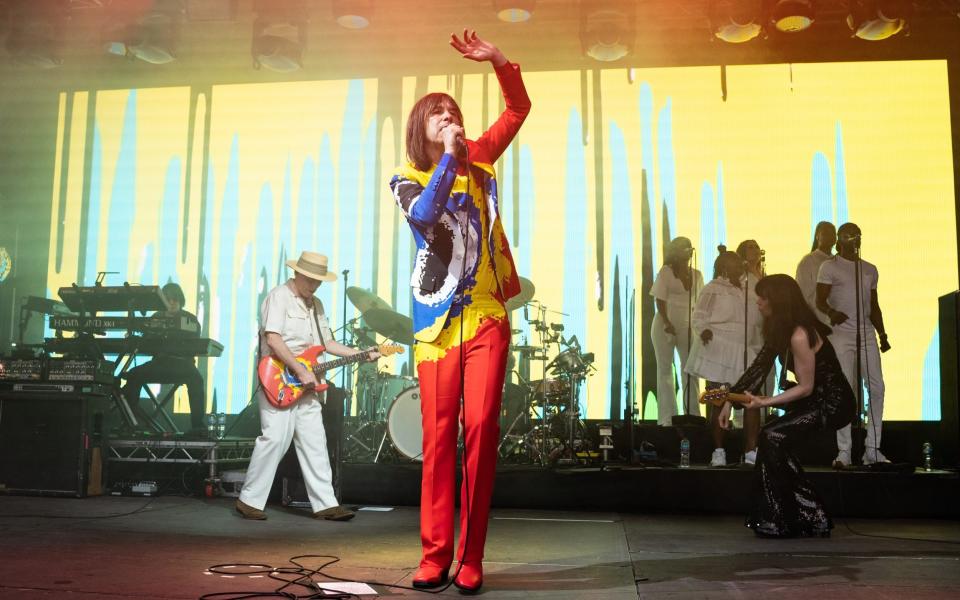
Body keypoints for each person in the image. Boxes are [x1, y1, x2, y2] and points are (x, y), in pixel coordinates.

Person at [389, 31, 530, 594]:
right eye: (437, 114)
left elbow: (518, 108)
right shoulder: (408, 180)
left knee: (480, 431)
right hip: (436, 328)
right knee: (439, 437)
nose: (449, 118)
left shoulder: (481, 159)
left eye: (454, 111)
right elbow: (426, 216)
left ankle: (471, 558)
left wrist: (499, 61)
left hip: (488, 315)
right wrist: (450, 159)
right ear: (421, 130)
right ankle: (433, 554)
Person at [235, 251, 380, 521]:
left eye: (318, 281)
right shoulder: (279, 297)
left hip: (308, 383)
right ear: (298, 274)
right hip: (279, 377)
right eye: (310, 279)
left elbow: (326, 344)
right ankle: (249, 500)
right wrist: (299, 369)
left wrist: (360, 353)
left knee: (315, 441)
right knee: (275, 437)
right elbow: (274, 338)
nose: (314, 285)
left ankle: (326, 504)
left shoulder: (317, 305)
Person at [719, 274, 854, 538]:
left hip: (832, 403)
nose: (758, 302)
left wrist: (764, 402)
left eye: (763, 297)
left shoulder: (801, 334)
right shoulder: (780, 330)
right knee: (774, 441)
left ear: (778, 300)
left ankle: (795, 516)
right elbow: (758, 368)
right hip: (815, 399)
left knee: (772, 435)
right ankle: (807, 516)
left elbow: (806, 386)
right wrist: (728, 401)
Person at [816, 223, 891, 467]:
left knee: (877, 388)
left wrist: (882, 333)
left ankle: (873, 448)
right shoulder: (829, 266)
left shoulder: (869, 269)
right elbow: (819, 300)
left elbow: (874, 305)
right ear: (840, 239)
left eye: (857, 235)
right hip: (841, 334)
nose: (853, 239)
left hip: (866, 333)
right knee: (846, 391)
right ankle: (844, 451)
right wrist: (831, 312)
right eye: (849, 235)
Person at [685, 247, 749, 467]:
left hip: (741, 348)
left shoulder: (746, 288)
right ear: (723, 266)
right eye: (735, 263)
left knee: (746, 400)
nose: (740, 266)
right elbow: (699, 315)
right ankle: (718, 452)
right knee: (718, 400)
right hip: (718, 347)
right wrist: (703, 330)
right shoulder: (712, 288)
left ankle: (749, 452)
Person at [121, 282, 206, 434]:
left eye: (175, 299)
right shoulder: (155, 318)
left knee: (197, 379)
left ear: (180, 301)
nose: (172, 303)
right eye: (168, 299)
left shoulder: (190, 320)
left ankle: (198, 427)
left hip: (183, 365)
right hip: (159, 364)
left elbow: (194, 344)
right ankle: (130, 424)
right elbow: (145, 341)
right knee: (133, 375)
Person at [650, 236, 704, 425]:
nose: (687, 250)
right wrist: (666, 321)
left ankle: (693, 414)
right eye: (682, 247)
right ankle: (667, 418)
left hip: (688, 325)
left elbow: (700, 303)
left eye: (689, 247)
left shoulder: (697, 274)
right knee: (665, 370)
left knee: (689, 369)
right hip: (665, 323)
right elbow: (660, 299)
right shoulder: (666, 271)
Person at [735, 239, 768, 465]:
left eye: (757, 247)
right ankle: (739, 417)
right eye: (750, 247)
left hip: (761, 328)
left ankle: (761, 416)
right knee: (743, 372)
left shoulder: (762, 273)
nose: (755, 250)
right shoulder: (740, 275)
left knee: (762, 372)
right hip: (743, 329)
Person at [796, 221, 836, 325]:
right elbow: (802, 294)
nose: (829, 236)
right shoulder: (808, 261)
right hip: (817, 320)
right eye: (825, 233)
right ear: (817, 236)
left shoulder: (838, 261)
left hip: (838, 323)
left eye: (832, 233)